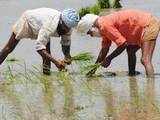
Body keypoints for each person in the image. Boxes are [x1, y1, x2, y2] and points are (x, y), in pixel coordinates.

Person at [77, 9, 160, 77]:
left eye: (89, 33)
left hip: (148, 25)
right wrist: (93, 70)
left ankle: (150, 89)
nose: (91, 36)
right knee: (131, 51)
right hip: (142, 27)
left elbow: (123, 44)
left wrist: (109, 59)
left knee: (145, 60)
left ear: (92, 27)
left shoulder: (104, 25)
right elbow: (104, 50)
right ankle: (132, 75)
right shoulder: (103, 27)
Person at [0, 8, 79, 75]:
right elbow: (39, 48)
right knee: (9, 48)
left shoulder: (68, 27)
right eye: (66, 27)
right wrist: (56, 62)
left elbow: (66, 44)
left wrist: (67, 56)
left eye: (69, 28)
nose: (68, 30)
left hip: (42, 26)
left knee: (47, 56)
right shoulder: (50, 25)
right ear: (61, 22)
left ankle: (46, 79)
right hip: (28, 21)